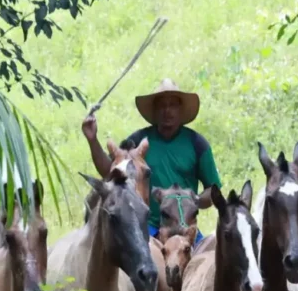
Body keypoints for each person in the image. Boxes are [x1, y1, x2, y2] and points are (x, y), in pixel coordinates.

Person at [81, 78, 221, 242]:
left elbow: (213, 190)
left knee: (208, 260)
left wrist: (193, 200)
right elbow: (109, 171)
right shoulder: (138, 142)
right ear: (154, 110)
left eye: (173, 105)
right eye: (162, 105)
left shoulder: (197, 143)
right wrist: (92, 140)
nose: (167, 110)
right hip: (147, 226)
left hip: (185, 227)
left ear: (181, 109)